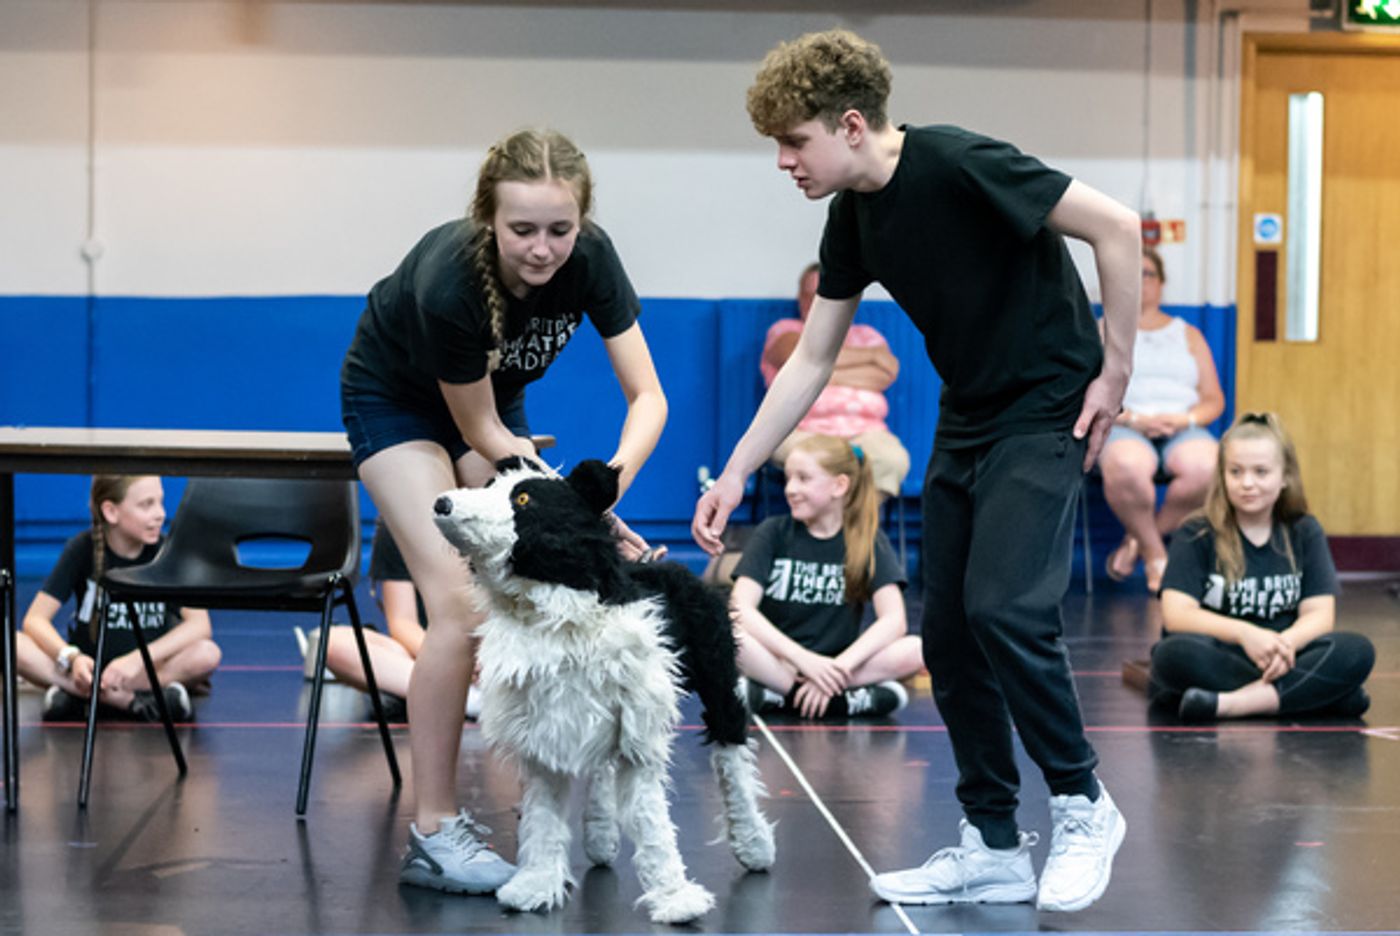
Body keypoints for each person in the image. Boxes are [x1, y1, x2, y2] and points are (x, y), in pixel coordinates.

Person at [692, 29, 1140, 912]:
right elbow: (812, 358)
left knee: (1006, 608)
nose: (783, 161)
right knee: (950, 639)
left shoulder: (960, 163)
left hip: (1047, 404)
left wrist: (1114, 368)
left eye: (794, 141)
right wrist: (738, 470)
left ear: (852, 125)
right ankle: (994, 843)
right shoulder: (852, 217)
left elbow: (1116, 227)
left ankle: (1084, 803)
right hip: (969, 414)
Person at [339, 127, 667, 896]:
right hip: (396, 400)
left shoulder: (593, 259)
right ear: (488, 217)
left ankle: (548, 800)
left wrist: (605, 491)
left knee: (535, 584)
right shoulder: (452, 280)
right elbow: (479, 433)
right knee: (458, 605)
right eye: (522, 230)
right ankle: (433, 832)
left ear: (582, 222)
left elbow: (648, 397)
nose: (542, 249)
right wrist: (574, 508)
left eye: (560, 229)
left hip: (494, 400)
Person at [1153, 412, 1373, 723]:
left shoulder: (1304, 530)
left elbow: (1320, 614)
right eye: (1235, 471)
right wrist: (1246, 634)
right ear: (1222, 475)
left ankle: (1235, 703)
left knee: (1357, 650)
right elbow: (1176, 615)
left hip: (1288, 654)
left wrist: (1285, 644)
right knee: (1171, 656)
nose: (1247, 483)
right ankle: (1316, 694)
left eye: (1261, 472)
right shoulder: (1196, 532)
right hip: (1224, 653)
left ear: (1285, 477)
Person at [731, 435, 922, 719]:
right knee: (730, 633)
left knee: (917, 649)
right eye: (788, 479)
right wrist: (803, 659)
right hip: (779, 661)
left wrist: (839, 667)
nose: (790, 489)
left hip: (837, 665)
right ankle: (838, 701)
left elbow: (894, 621)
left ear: (839, 486)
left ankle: (781, 697)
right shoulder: (773, 532)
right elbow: (739, 609)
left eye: (803, 479)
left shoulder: (867, 540)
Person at [15, 475, 220, 723]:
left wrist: (137, 659)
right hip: (85, 670)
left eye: (160, 502)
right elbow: (35, 619)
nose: (160, 514)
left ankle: (81, 698)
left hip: (142, 670)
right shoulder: (82, 548)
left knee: (207, 653)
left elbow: (200, 625)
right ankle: (135, 702)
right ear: (111, 512)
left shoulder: (168, 553)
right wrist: (71, 658)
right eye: (146, 504)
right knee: (11, 643)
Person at [1101, 247, 1225, 591]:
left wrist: (1185, 420)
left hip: (1182, 425)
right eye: (1133, 273)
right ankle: (1157, 555)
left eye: (1148, 274)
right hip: (1124, 424)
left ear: (1161, 283)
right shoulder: (1103, 331)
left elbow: (1214, 399)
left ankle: (1136, 542)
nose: (1141, 281)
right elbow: (1092, 392)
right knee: (1127, 464)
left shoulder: (1188, 334)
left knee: (1208, 466)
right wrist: (1133, 418)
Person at [762, 262, 911, 499]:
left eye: (823, 295)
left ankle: (857, 518)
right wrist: (870, 357)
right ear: (800, 298)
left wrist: (815, 372)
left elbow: (885, 375)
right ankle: (835, 521)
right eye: (809, 295)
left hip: (866, 432)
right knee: (818, 463)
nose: (815, 303)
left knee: (892, 459)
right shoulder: (785, 330)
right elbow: (794, 357)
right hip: (802, 430)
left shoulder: (868, 336)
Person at [320, 520, 481, 723]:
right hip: (427, 654)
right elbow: (402, 622)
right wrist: (453, 658)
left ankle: (418, 694)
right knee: (334, 644)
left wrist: (483, 658)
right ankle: (468, 701)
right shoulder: (398, 524)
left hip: (491, 655)